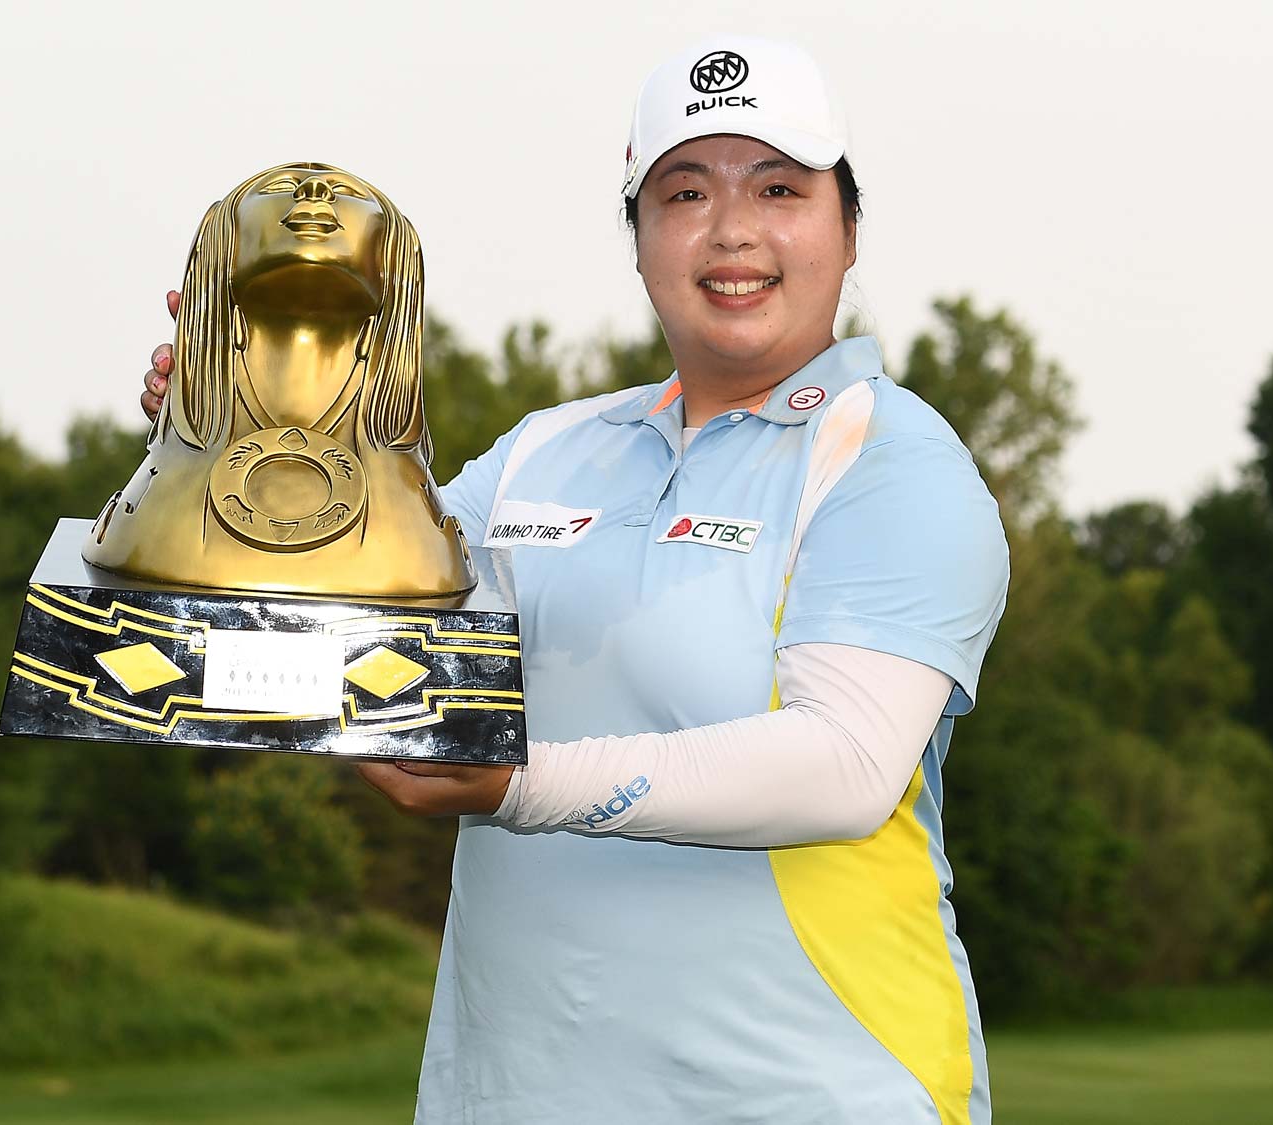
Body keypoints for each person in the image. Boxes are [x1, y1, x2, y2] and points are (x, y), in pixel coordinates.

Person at [140, 35, 1009, 1125]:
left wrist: (514, 782)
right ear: (639, 241)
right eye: (683, 191)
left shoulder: (893, 463)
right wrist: (240, 437)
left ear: (845, 230)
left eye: (778, 188)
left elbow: (841, 768)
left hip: (817, 1095)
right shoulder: (540, 454)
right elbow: (340, 606)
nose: (731, 228)